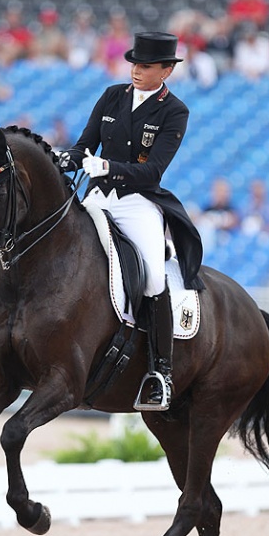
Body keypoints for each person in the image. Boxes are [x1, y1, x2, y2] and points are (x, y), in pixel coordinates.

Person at [59, 32, 204, 409]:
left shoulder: (175, 111)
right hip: (97, 197)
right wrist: (65, 160)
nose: (136, 71)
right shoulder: (112, 96)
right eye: (135, 64)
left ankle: (161, 372)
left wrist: (108, 166)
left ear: (166, 70)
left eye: (146, 66)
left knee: (155, 277)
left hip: (138, 201)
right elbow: (85, 144)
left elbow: (153, 169)